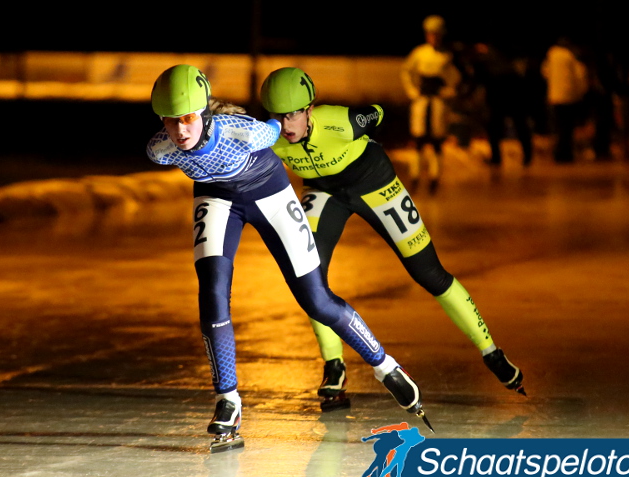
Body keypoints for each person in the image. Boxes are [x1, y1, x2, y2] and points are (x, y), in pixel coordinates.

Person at [146, 65, 430, 451]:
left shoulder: (244, 131)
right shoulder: (159, 149)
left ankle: (386, 367)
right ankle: (227, 400)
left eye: (189, 118)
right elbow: (177, 144)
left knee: (315, 299)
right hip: (216, 197)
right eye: (171, 121)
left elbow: (277, 130)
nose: (181, 131)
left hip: (268, 191)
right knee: (211, 291)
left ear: (204, 113)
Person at [259, 67, 526, 414]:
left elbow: (378, 113)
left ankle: (492, 352)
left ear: (310, 109)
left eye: (294, 113)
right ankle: (334, 367)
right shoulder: (267, 136)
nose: (286, 124)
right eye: (277, 116)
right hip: (324, 192)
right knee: (309, 277)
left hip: (374, 182)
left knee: (429, 274)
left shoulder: (341, 121)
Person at [399, 15, 462, 193]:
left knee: (436, 140)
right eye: (431, 34)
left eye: (437, 34)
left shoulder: (447, 56)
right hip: (422, 100)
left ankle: (435, 177)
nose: (433, 38)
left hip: (438, 102)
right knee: (418, 140)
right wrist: (412, 90)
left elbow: (456, 78)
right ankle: (415, 177)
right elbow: (406, 71)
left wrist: (449, 91)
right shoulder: (419, 53)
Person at [540, 36, 589, 163]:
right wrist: (580, 93)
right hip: (568, 97)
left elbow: (545, 72)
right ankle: (565, 153)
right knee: (567, 127)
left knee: (558, 126)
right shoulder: (570, 56)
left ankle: (558, 152)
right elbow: (579, 76)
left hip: (554, 96)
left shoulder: (551, 55)